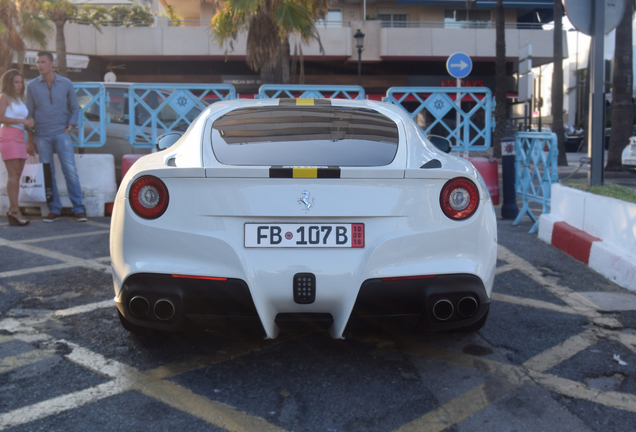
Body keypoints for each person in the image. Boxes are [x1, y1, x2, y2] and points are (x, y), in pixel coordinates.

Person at [26, 51, 87, 222]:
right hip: (41, 135)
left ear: (52, 64)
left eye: (43, 62)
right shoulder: (31, 86)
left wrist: (69, 127)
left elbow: (75, 108)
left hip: (62, 133)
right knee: (48, 173)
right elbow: (29, 115)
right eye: (38, 62)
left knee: (70, 171)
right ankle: (54, 208)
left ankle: (78, 208)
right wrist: (30, 141)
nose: (39, 65)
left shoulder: (66, 83)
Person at [0, 69, 34, 226]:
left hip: (20, 136)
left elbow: (23, 119)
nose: (19, 85)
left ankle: (14, 210)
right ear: (9, 83)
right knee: (13, 175)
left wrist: (28, 121)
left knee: (18, 175)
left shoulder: (20, 99)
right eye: (16, 82)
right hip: (8, 136)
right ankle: (15, 210)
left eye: (21, 82)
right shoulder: (4, 97)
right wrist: (21, 121)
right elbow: (1, 117)